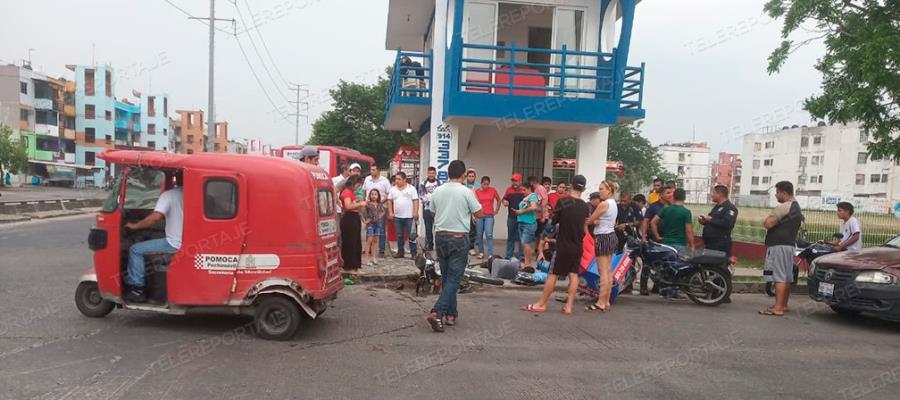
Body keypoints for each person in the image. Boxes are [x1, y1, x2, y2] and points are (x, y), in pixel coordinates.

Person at [426, 160, 483, 332]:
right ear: (463, 174)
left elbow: (432, 212)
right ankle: (437, 312)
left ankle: (451, 314)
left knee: (447, 276)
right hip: (459, 238)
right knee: (454, 278)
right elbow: (479, 213)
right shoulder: (466, 192)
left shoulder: (437, 190)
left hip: (441, 237)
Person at [522, 175, 591, 315]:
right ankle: (569, 306)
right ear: (583, 188)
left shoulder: (563, 201)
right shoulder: (585, 206)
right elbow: (585, 227)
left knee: (552, 275)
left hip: (563, 245)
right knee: (573, 275)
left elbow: (554, 222)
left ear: (571, 185)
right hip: (577, 246)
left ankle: (541, 304)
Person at [123, 172, 184, 303]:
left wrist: (135, 226)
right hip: (187, 242)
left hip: (174, 244)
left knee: (135, 249)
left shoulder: (169, 195)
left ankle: (137, 289)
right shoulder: (194, 194)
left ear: (175, 179)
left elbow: (155, 218)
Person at [760, 181, 804, 317]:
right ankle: (783, 305)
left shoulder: (784, 207)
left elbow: (768, 224)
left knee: (778, 276)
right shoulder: (796, 207)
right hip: (789, 245)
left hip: (778, 245)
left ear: (784, 193)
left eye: (777, 192)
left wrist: (767, 219)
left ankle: (777, 308)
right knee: (786, 276)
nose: (775, 195)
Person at [586, 180, 619, 312]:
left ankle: (601, 302)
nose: (599, 191)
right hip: (611, 235)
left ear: (609, 190)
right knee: (608, 271)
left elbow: (590, 220)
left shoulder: (603, 204)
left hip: (602, 237)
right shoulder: (613, 204)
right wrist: (597, 220)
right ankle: (606, 301)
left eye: (602, 189)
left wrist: (593, 220)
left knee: (603, 271)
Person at [651, 188, 695, 253]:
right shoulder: (686, 212)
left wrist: (657, 236)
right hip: (680, 244)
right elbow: (689, 231)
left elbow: (653, 222)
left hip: (666, 244)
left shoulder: (665, 209)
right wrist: (692, 245)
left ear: (673, 197)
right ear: (684, 198)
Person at [700, 185, 738, 257]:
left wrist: (710, 219)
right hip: (710, 243)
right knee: (708, 266)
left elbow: (727, 223)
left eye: (713, 193)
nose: (712, 195)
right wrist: (704, 221)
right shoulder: (717, 207)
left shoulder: (730, 208)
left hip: (720, 244)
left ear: (720, 194)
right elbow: (713, 222)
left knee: (717, 266)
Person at [388, 172, 419, 258]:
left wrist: (416, 212)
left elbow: (415, 200)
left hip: (409, 216)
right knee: (399, 235)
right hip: (398, 217)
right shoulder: (393, 189)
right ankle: (400, 252)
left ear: (404, 180)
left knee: (412, 235)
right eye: (396, 179)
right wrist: (390, 212)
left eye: (399, 179)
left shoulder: (411, 189)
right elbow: (389, 201)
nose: (397, 181)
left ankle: (413, 253)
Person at [364, 166, 392, 257]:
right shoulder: (367, 179)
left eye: (373, 170)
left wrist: (379, 203)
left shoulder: (385, 181)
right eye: (371, 170)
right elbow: (365, 191)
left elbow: (389, 194)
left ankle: (381, 250)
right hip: (369, 208)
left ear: (378, 171)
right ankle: (369, 249)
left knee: (381, 228)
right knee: (369, 228)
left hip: (380, 207)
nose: (371, 171)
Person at [340, 175, 366, 270]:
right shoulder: (347, 192)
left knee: (356, 242)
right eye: (358, 184)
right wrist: (359, 204)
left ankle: (355, 265)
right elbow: (347, 206)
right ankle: (349, 265)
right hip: (349, 219)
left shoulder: (351, 192)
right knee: (350, 243)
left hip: (354, 217)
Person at [514, 182, 540, 269]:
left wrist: (521, 211)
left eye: (524, 190)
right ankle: (525, 262)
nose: (523, 191)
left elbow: (533, 207)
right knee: (523, 244)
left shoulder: (533, 196)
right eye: (522, 190)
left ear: (529, 188)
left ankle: (528, 264)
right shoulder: (525, 198)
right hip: (522, 222)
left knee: (526, 243)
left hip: (528, 224)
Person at [474, 176, 501, 258]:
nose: (486, 186)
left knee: (489, 234)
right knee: (479, 234)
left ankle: (490, 254)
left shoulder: (493, 190)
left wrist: (496, 210)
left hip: (489, 215)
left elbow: (499, 200)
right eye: (484, 184)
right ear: (481, 183)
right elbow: (474, 204)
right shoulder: (477, 191)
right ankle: (481, 252)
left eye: (487, 184)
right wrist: (474, 215)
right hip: (479, 215)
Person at [418, 166, 442, 252]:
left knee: (438, 228)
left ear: (435, 174)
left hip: (438, 209)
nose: (431, 175)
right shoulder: (423, 183)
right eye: (430, 173)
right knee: (428, 228)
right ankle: (429, 244)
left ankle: (439, 244)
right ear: (427, 174)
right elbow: (420, 195)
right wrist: (429, 199)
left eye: (433, 173)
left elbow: (442, 195)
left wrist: (435, 200)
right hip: (427, 208)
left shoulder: (440, 183)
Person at [502, 173, 526, 258]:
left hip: (522, 218)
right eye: (513, 181)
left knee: (521, 238)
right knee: (510, 238)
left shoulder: (524, 190)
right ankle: (508, 256)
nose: (514, 183)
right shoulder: (509, 190)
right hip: (511, 217)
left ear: (520, 181)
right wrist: (505, 202)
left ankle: (521, 257)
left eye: (516, 181)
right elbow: (504, 199)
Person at [363, 189, 386, 267]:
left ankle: (374, 257)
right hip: (370, 224)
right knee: (369, 240)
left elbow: (383, 211)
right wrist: (365, 220)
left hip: (378, 224)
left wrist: (379, 216)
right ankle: (366, 258)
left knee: (375, 241)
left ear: (378, 195)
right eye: (372, 194)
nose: (373, 196)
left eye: (375, 194)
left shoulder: (379, 204)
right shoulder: (368, 204)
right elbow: (363, 213)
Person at [529, 176, 550, 243]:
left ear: (532, 182)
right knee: (537, 234)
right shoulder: (536, 189)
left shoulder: (540, 189)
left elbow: (544, 202)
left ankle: (539, 251)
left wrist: (543, 217)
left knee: (541, 235)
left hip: (542, 216)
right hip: (537, 215)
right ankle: (536, 250)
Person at [464, 168, 480, 254]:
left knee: (473, 230)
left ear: (475, 177)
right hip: (465, 210)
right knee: (465, 229)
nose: (471, 178)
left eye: (472, 176)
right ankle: (464, 247)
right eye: (469, 176)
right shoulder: (463, 185)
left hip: (474, 210)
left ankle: (471, 247)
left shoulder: (478, 185)